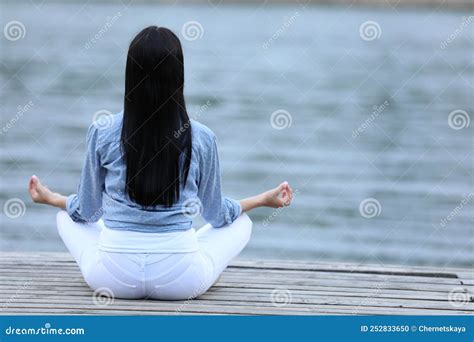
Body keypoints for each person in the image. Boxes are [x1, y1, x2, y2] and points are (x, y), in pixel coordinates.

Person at [28, 26, 293, 300]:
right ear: (179, 76)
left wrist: (53, 199)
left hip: (112, 278)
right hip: (180, 280)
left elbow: (87, 211)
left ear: (130, 75)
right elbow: (217, 215)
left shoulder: (102, 130)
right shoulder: (201, 137)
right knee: (241, 223)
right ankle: (198, 267)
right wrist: (263, 199)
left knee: (66, 217)